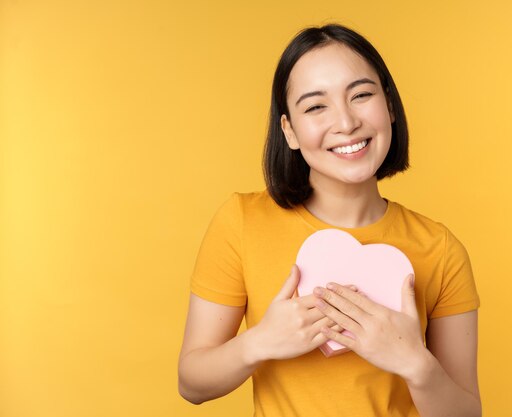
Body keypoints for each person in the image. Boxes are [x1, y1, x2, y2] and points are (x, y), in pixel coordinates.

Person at [178, 23, 481, 417]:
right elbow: (191, 384)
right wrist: (261, 342)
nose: (346, 122)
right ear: (289, 130)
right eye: (316, 106)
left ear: (389, 106)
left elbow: (467, 413)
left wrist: (414, 363)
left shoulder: (440, 249)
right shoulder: (241, 222)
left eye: (361, 95)